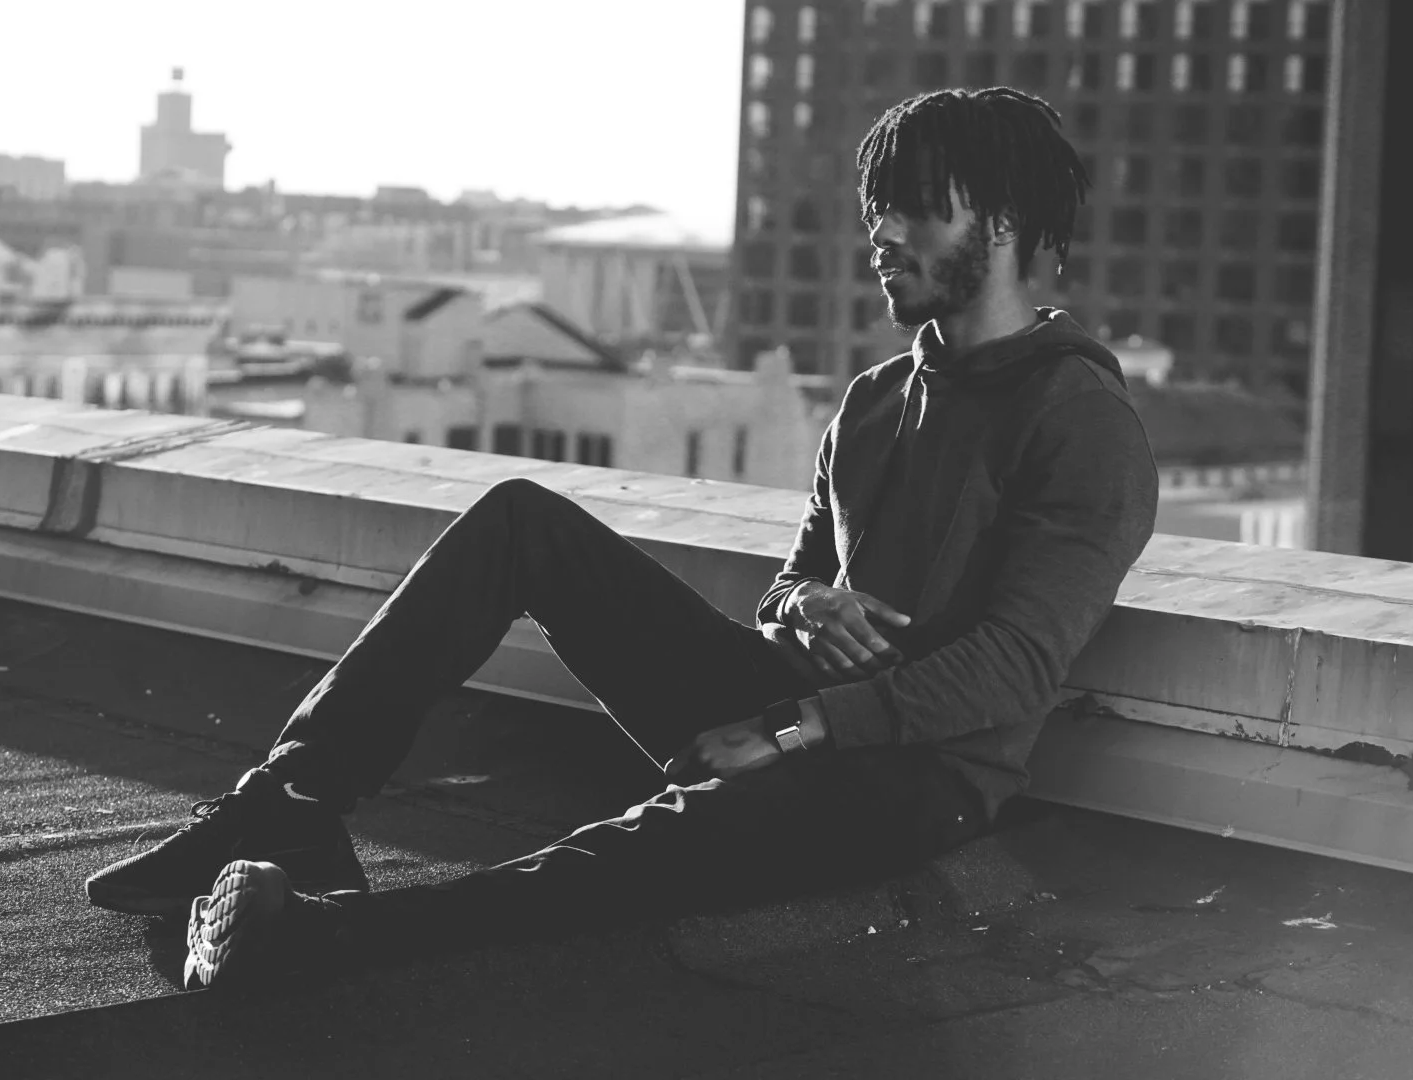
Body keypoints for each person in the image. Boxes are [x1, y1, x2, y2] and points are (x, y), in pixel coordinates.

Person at [85, 87, 1158, 989]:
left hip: (907, 783)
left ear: (1006, 226)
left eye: (915, 210)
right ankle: (290, 802)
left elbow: (1017, 664)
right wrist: (803, 605)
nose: (879, 235)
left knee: (647, 854)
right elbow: (786, 582)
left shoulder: (1078, 420)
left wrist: (790, 733)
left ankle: (319, 941)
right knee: (519, 519)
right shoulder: (878, 397)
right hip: (775, 707)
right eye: (875, 209)